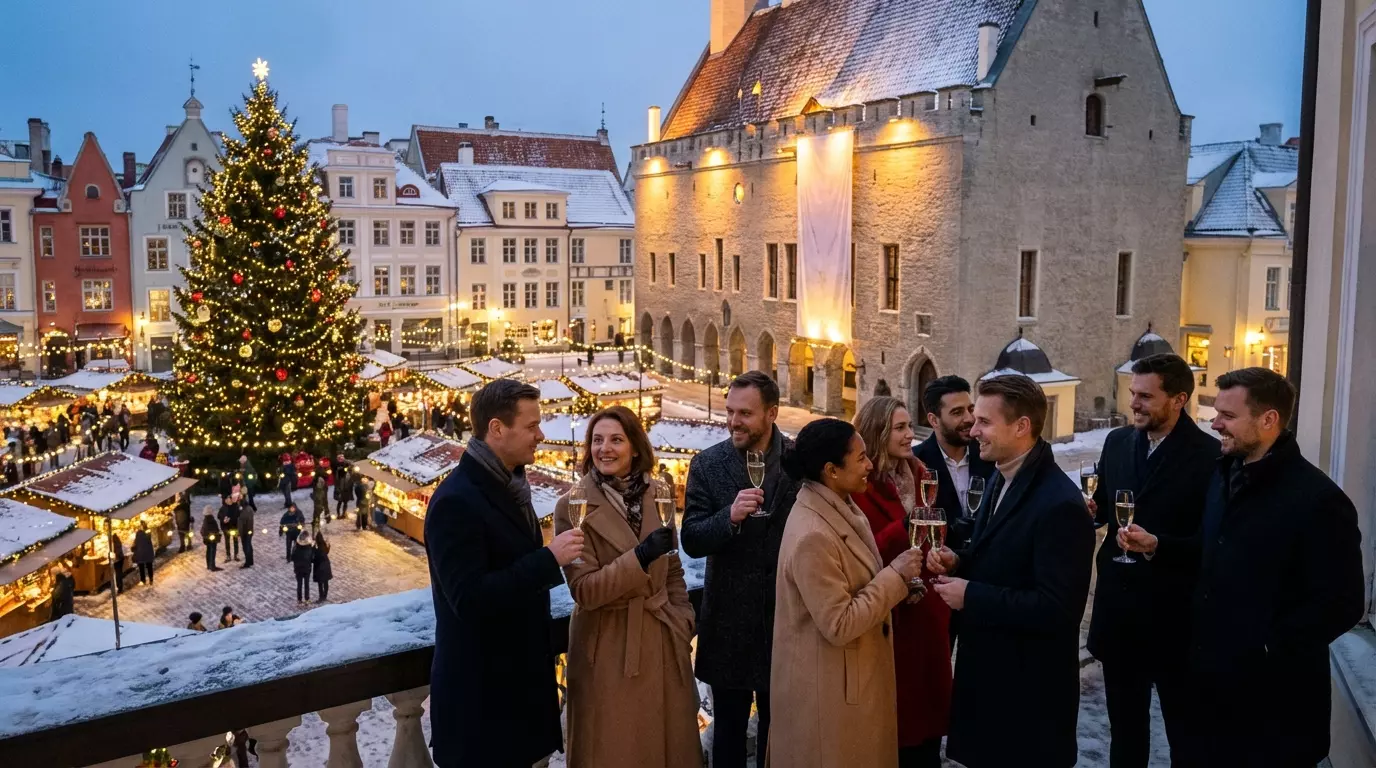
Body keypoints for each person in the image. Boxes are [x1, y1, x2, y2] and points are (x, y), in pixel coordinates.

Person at [1118, 367, 1365, 767]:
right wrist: (1158, 545)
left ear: (1269, 420)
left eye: (1227, 417)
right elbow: (1212, 550)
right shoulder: (1224, 474)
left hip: (1273, 714)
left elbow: (1343, 603)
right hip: (1205, 697)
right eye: (1216, 413)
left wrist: (1265, 646)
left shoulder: (1319, 500)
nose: (1214, 424)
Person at [926, 374, 1095, 768]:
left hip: (1026, 700)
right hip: (996, 686)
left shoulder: (1059, 505)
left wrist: (970, 595)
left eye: (984, 421)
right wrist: (960, 560)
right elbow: (1001, 557)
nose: (973, 428)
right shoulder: (1005, 475)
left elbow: (1057, 609)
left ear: (1021, 427)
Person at [424, 378, 584, 768]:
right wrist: (548, 560)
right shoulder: (456, 501)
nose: (541, 435)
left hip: (512, 698)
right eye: (531, 426)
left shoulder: (510, 485)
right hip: (482, 707)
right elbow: (471, 598)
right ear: (496, 429)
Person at [1084, 354, 1220, 768]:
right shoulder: (1117, 442)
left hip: (1175, 622)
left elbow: (1214, 543)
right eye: (1132, 394)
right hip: (1120, 616)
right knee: (1124, 733)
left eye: (1146, 396)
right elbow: (1106, 511)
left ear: (1179, 399)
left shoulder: (1212, 458)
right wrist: (1089, 512)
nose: (1135, 404)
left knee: (1186, 734)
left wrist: (1158, 544)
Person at [769, 418, 926, 768]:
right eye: (861, 458)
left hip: (850, 682)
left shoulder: (841, 507)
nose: (870, 465)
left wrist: (900, 587)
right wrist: (895, 577)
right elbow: (838, 622)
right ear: (831, 470)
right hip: (830, 694)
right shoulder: (813, 533)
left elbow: (859, 584)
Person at [555, 406, 700, 768]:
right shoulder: (572, 507)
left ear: (635, 447)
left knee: (667, 748)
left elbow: (673, 570)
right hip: (608, 648)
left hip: (663, 641)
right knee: (616, 750)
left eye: (616, 440)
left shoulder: (660, 493)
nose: (605, 448)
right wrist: (639, 557)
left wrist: (683, 622)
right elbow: (585, 591)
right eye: (597, 440)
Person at [681, 371, 799, 768]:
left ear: (772, 413)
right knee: (728, 734)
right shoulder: (708, 464)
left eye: (744, 413)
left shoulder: (800, 462)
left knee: (778, 731)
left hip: (785, 622)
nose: (733, 421)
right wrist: (728, 517)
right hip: (728, 622)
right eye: (730, 411)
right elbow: (692, 538)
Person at [851, 397, 951, 767]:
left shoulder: (922, 474)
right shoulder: (860, 485)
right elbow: (862, 554)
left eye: (910, 426)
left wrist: (944, 554)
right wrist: (904, 528)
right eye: (900, 428)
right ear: (877, 432)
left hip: (927, 611)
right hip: (890, 615)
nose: (911, 435)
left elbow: (935, 533)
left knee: (929, 717)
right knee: (897, 720)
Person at [913, 375, 995, 550]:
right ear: (934, 420)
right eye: (957, 412)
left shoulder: (990, 455)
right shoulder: (915, 463)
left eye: (970, 409)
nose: (969, 419)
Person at [292, 530, 316, 602]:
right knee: (306, 584)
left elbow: (292, 557)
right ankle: (307, 598)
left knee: (299, 584)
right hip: (307, 568)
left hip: (298, 569)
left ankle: (299, 599)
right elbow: (312, 559)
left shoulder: (296, 547)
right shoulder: (309, 548)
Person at [219, 489, 242, 562]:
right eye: (227, 499)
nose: (228, 500)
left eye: (229, 499)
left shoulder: (235, 506)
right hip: (226, 528)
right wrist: (224, 519)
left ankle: (236, 555)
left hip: (234, 527)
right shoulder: (223, 508)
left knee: (235, 541)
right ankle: (228, 555)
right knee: (227, 542)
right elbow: (219, 516)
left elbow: (239, 515)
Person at [132, 521, 155, 586]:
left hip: (143, 553)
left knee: (145, 566)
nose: (139, 527)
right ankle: (148, 580)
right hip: (145, 553)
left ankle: (146, 580)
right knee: (146, 566)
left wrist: (134, 548)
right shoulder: (143, 532)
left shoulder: (143, 532)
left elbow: (137, 542)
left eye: (140, 525)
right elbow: (137, 542)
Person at [312, 531, 333, 602]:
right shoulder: (324, 545)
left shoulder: (316, 547)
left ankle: (321, 597)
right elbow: (327, 551)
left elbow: (314, 556)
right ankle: (325, 596)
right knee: (326, 582)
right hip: (326, 565)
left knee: (320, 583)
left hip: (319, 567)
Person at [200, 507, 222, 572]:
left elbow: (203, 530)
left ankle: (209, 565)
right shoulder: (209, 519)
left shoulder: (206, 519)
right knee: (212, 551)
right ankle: (212, 566)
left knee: (209, 551)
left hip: (208, 539)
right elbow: (212, 528)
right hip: (212, 539)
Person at [237, 495, 255, 569]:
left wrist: (240, 532)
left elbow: (242, 522)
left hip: (245, 531)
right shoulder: (249, 509)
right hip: (248, 531)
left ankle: (248, 562)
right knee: (249, 546)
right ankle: (250, 560)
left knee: (246, 547)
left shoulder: (244, 511)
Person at [333, 454, 353, 519]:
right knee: (340, 502)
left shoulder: (346, 466)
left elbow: (351, 464)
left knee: (345, 502)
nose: (342, 459)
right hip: (340, 488)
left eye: (342, 458)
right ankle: (339, 514)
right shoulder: (337, 467)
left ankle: (343, 514)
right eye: (340, 458)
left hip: (346, 488)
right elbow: (337, 480)